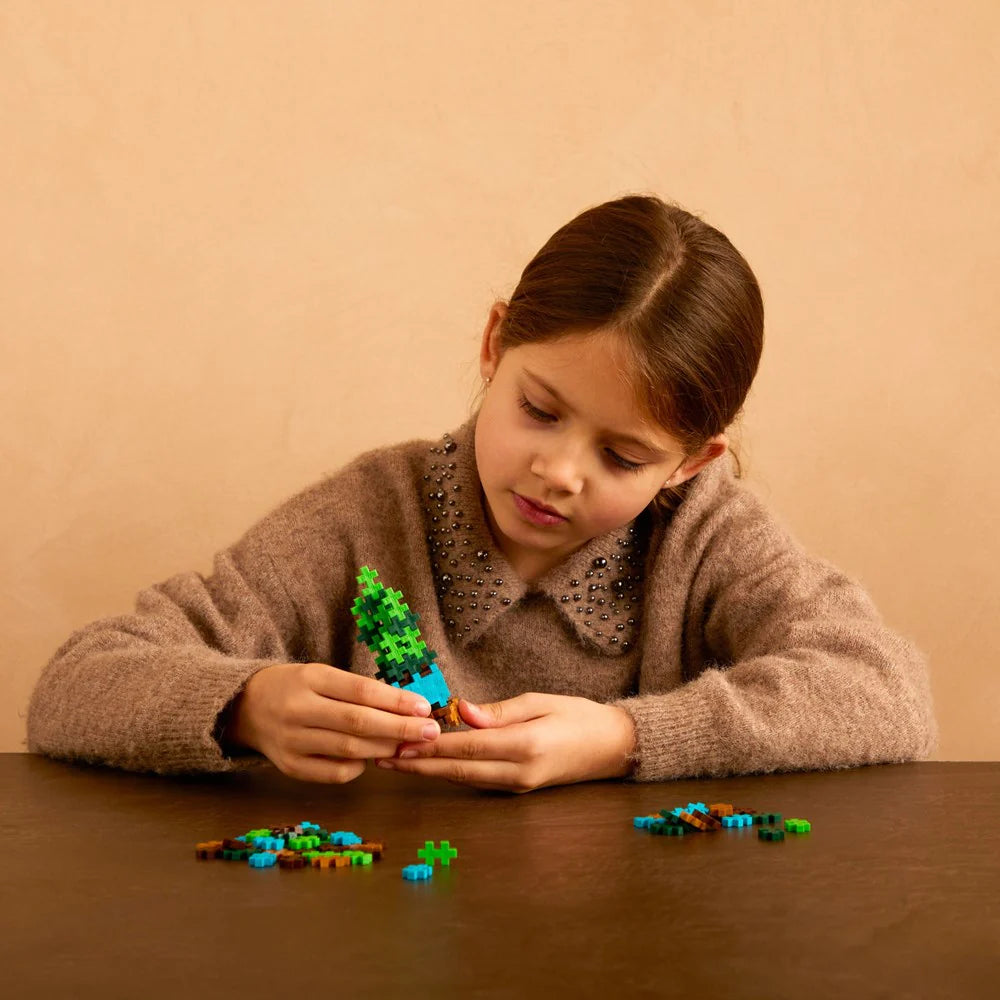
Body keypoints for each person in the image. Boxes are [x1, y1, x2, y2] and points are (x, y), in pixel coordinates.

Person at [25, 194, 937, 792]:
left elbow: (887, 691)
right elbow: (75, 684)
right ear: (494, 344)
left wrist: (623, 739)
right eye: (540, 411)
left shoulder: (708, 536)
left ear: (690, 465)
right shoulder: (366, 516)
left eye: (623, 458)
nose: (560, 471)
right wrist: (245, 702)